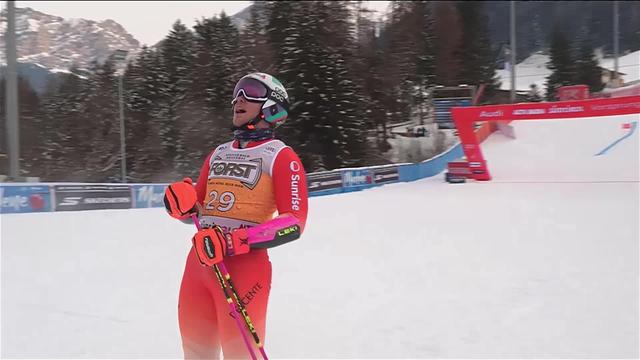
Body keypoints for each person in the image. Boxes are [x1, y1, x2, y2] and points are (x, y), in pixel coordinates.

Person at [163, 72, 309, 359]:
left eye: (251, 91)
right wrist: (181, 204)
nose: (238, 98)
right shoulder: (217, 153)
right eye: (238, 91)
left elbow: (294, 222)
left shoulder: (281, 156)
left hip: (244, 271)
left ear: (272, 106)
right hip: (199, 266)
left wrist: (234, 242)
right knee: (194, 354)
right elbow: (198, 208)